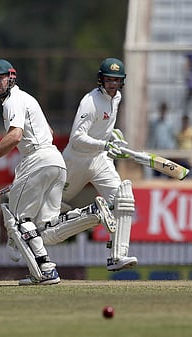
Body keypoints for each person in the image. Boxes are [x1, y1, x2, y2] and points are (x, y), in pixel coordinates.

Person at [0, 59, 114, 286]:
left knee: (17, 219)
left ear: (11, 77)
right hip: (55, 160)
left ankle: (45, 270)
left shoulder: (12, 101)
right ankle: (93, 213)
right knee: (47, 227)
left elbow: (15, 136)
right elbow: (50, 132)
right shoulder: (28, 98)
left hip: (37, 159)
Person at [62, 57, 138, 272]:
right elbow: (76, 137)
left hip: (99, 159)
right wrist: (105, 144)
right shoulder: (90, 102)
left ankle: (117, 256)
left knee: (123, 200)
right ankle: (90, 213)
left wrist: (115, 136)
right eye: (108, 79)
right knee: (54, 208)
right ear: (100, 80)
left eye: (116, 80)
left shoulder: (118, 97)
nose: (112, 84)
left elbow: (104, 126)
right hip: (76, 160)